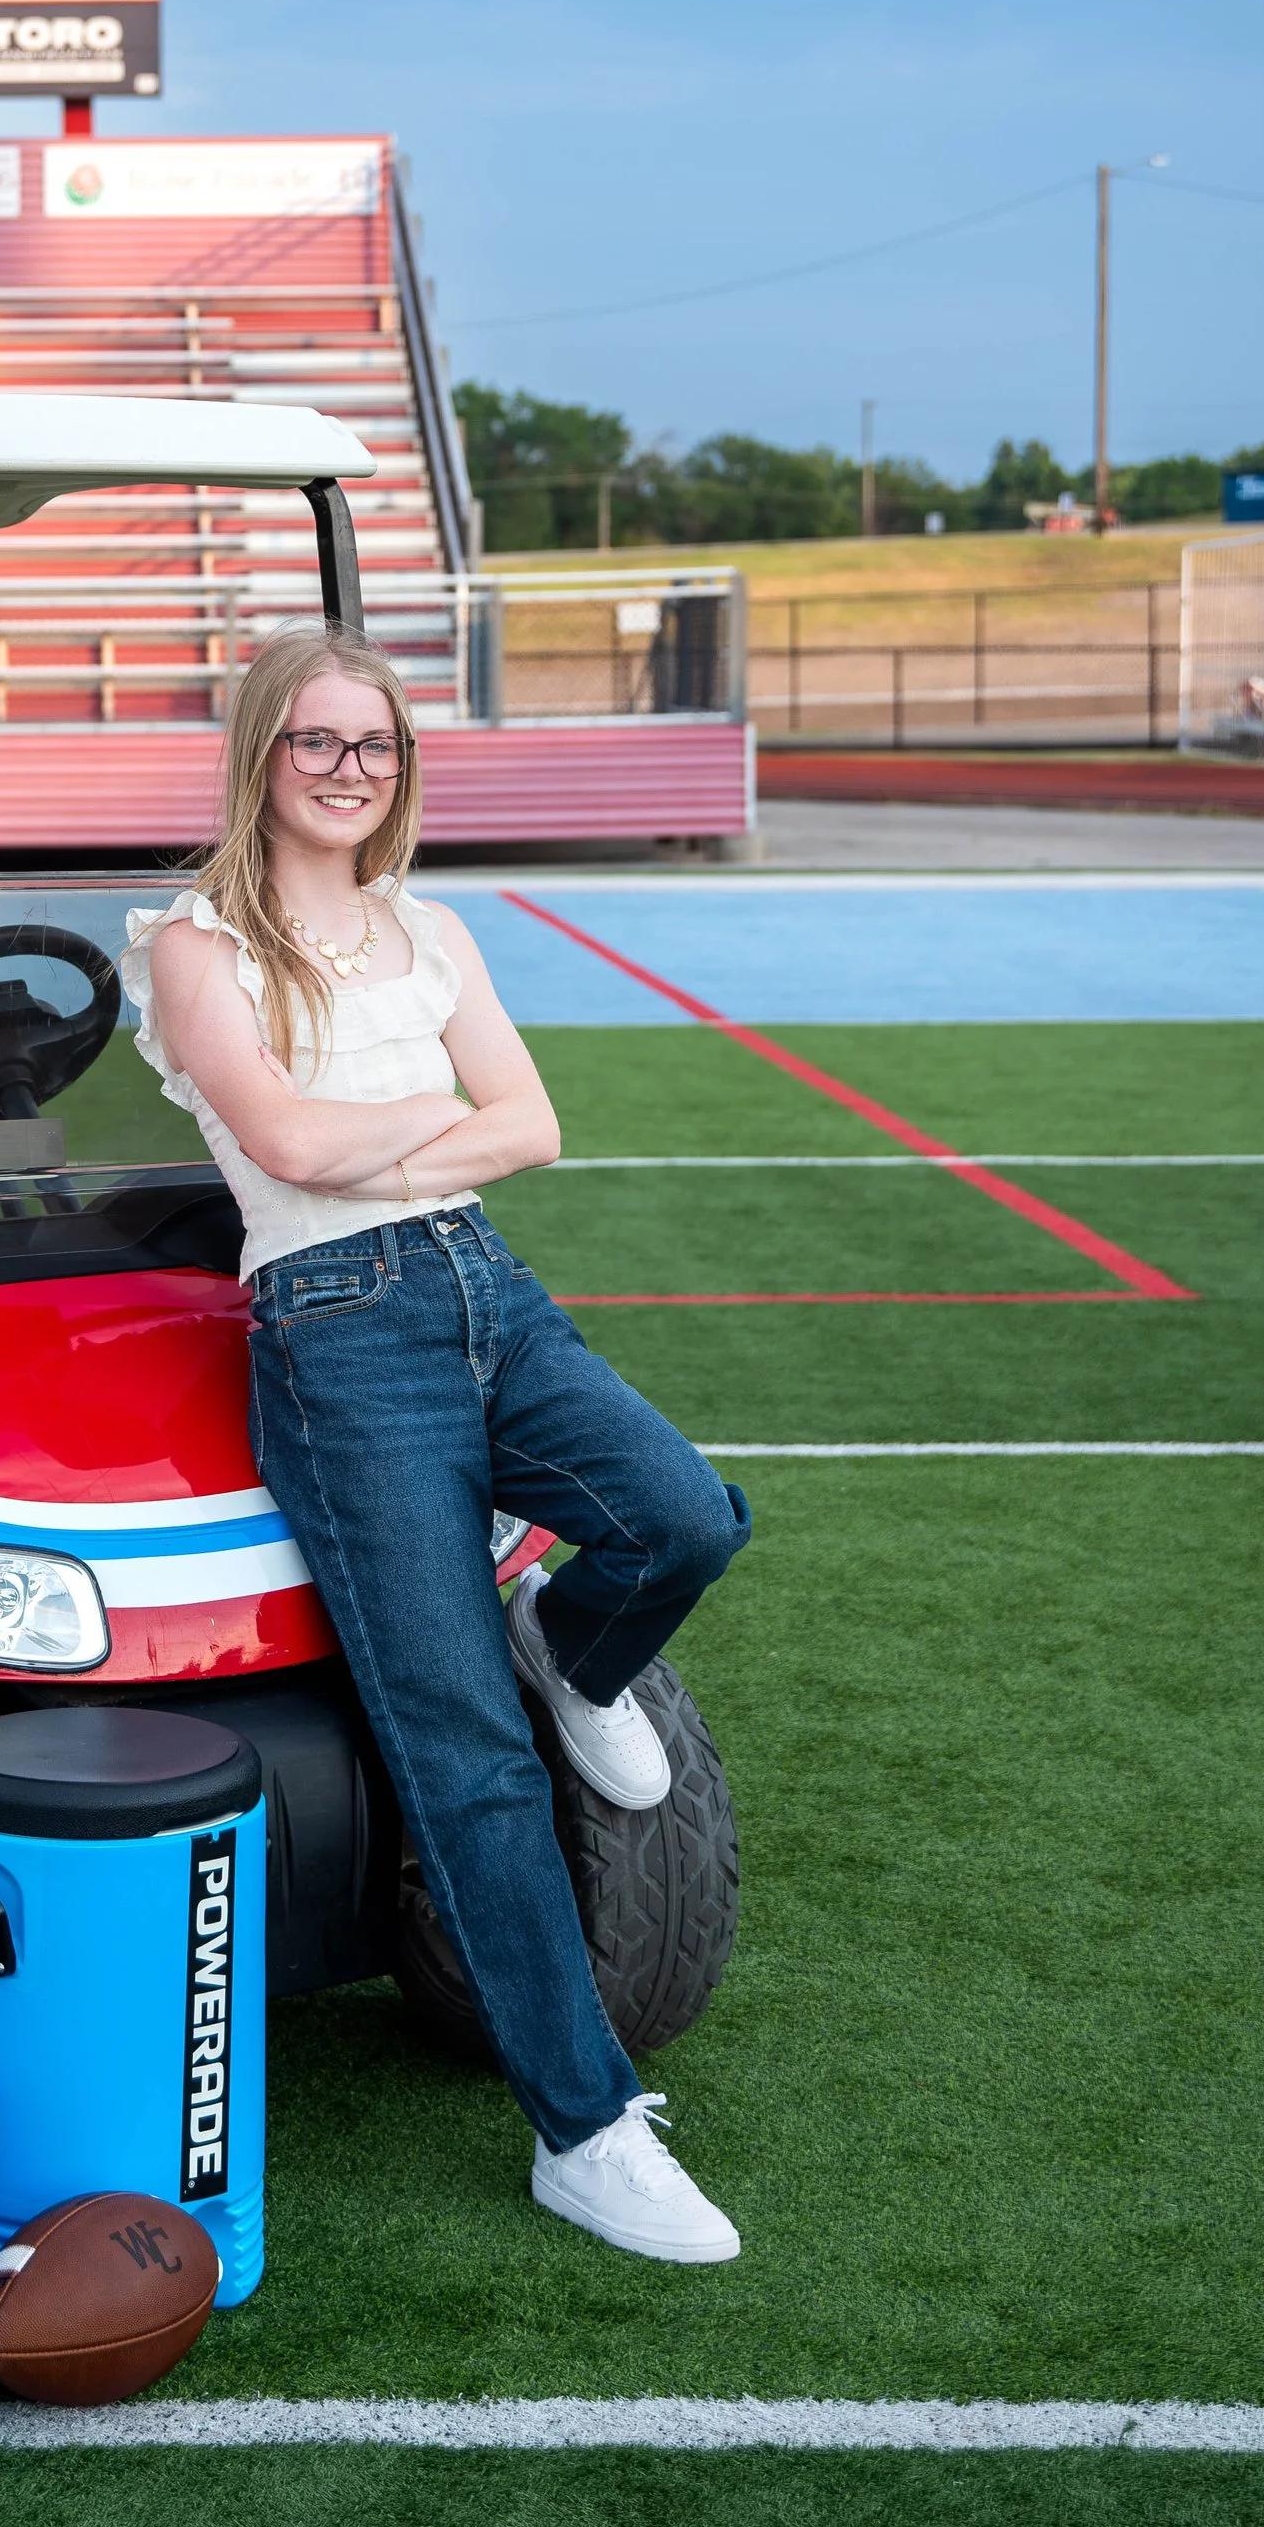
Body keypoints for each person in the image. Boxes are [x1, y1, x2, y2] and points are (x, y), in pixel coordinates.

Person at [122, 621, 749, 2263]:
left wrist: (374, 1146)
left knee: (683, 1520)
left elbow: (535, 1126)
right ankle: (586, 2129)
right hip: (336, 1334)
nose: (350, 770)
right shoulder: (195, 943)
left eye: (378, 746)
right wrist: (414, 1132)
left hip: (488, 1288)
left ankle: (576, 1642)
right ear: (263, 753)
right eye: (319, 742)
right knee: (462, 1752)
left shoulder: (431, 924)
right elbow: (281, 1142)